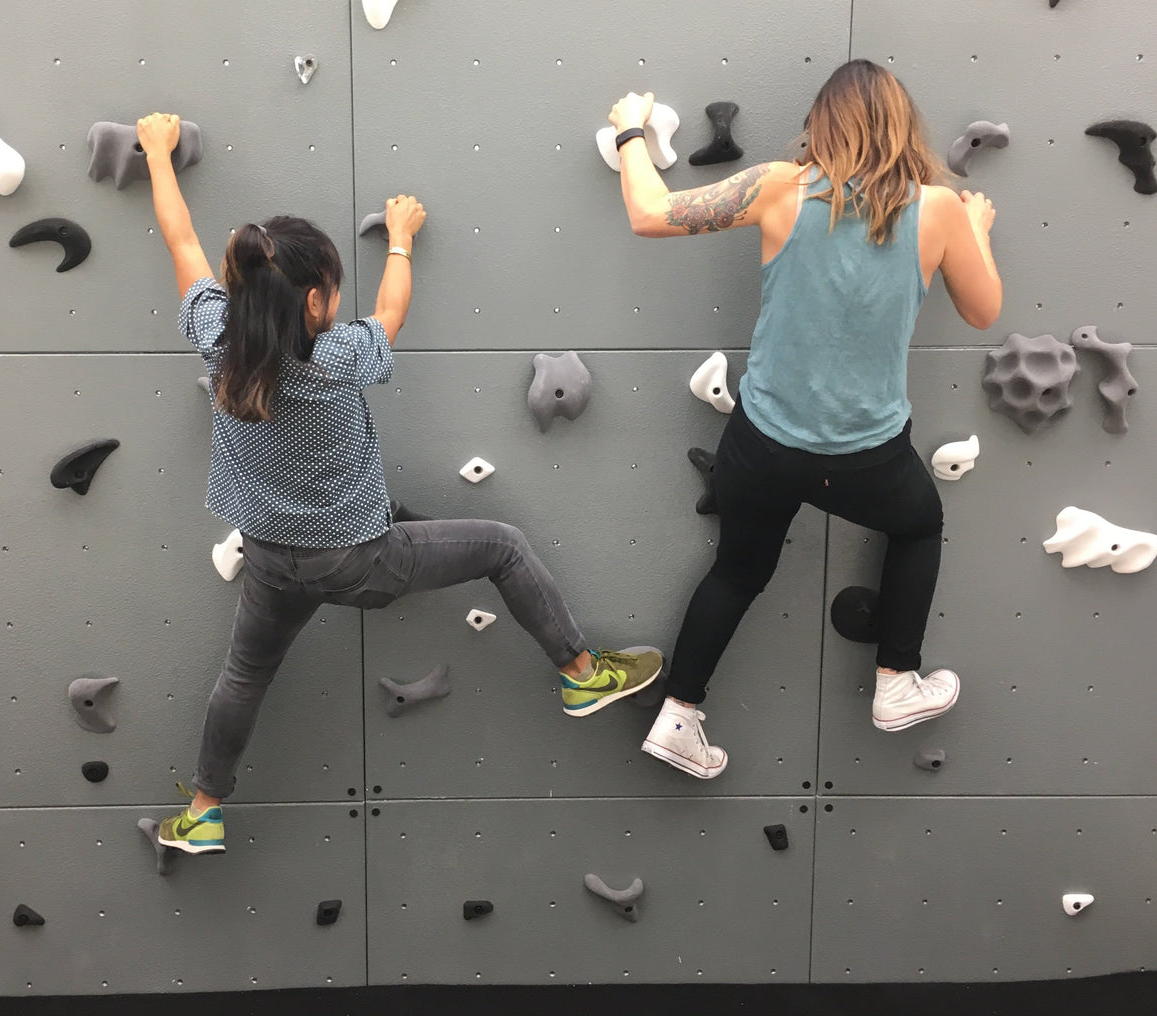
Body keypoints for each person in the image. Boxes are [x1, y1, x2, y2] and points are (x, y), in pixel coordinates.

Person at [132, 112, 663, 853]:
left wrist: (158, 155)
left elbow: (181, 240)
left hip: (270, 557)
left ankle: (204, 811)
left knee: (244, 677)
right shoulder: (335, 358)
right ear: (315, 303)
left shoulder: (217, 335)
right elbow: (392, 311)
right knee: (502, 546)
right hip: (357, 560)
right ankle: (580, 672)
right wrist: (403, 237)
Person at [606, 60, 1003, 780]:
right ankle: (896, 683)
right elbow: (984, 312)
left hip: (761, 444)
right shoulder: (938, 207)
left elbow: (649, 213)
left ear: (821, 123)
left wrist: (630, 130)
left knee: (737, 570)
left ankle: (678, 714)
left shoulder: (779, 187)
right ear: (904, 126)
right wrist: (973, 228)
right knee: (917, 526)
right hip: (867, 460)